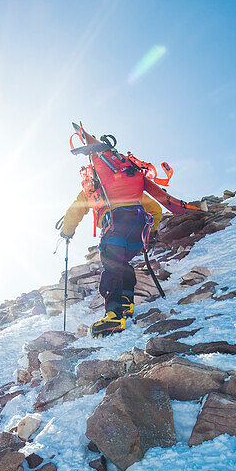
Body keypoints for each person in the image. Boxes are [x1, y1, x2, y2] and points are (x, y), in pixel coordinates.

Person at [60, 125, 202, 337]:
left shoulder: (93, 185)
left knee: (112, 266)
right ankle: (127, 304)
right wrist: (149, 234)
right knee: (123, 264)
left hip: (115, 226)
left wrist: (66, 232)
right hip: (137, 227)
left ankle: (114, 316)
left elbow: (75, 211)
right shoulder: (131, 176)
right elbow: (156, 207)